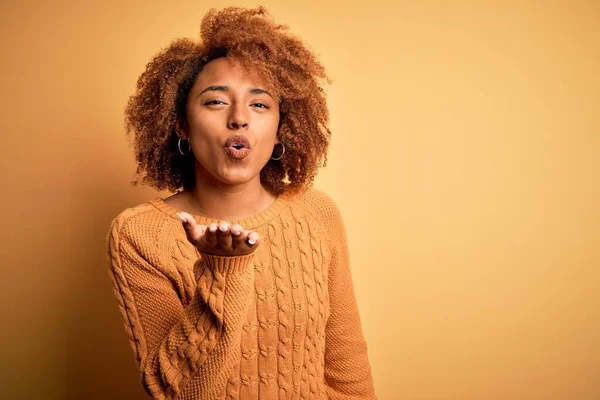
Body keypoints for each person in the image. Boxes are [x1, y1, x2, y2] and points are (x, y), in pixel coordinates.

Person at [106, 6, 376, 400]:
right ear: (181, 123)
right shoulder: (139, 235)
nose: (239, 119)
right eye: (216, 102)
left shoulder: (317, 213)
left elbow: (348, 373)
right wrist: (222, 272)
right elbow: (174, 394)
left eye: (260, 104)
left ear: (282, 125)